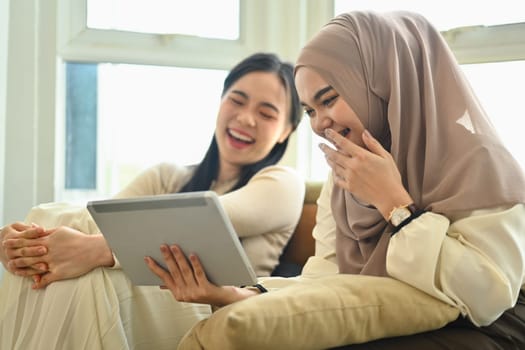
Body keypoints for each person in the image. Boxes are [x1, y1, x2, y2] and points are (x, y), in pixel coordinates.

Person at [145, 11, 525, 349]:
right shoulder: (345, 176)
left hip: (492, 329)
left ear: (384, 80)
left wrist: (395, 205)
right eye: (310, 110)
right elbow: (323, 285)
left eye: (329, 100)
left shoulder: (478, 161)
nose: (319, 124)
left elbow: (487, 296)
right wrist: (235, 296)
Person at [0, 52, 305, 349]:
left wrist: (95, 250)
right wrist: (24, 242)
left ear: (286, 131)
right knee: (58, 229)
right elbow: (94, 222)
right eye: (237, 100)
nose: (246, 118)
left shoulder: (283, 183)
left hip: (211, 309)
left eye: (266, 113)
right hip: (157, 299)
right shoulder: (167, 177)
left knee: (92, 275)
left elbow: (204, 220)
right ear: (221, 102)